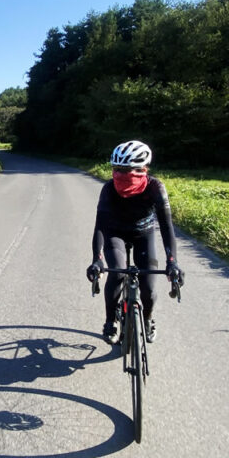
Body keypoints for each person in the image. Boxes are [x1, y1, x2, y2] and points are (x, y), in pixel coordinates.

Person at [86, 140, 184, 344]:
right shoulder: (109, 189)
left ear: (144, 169)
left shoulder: (155, 187)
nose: (121, 176)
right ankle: (110, 321)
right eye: (117, 170)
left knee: (148, 288)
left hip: (143, 234)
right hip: (115, 233)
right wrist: (97, 259)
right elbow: (100, 226)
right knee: (118, 272)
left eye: (128, 171)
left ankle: (147, 319)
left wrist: (172, 262)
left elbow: (166, 227)